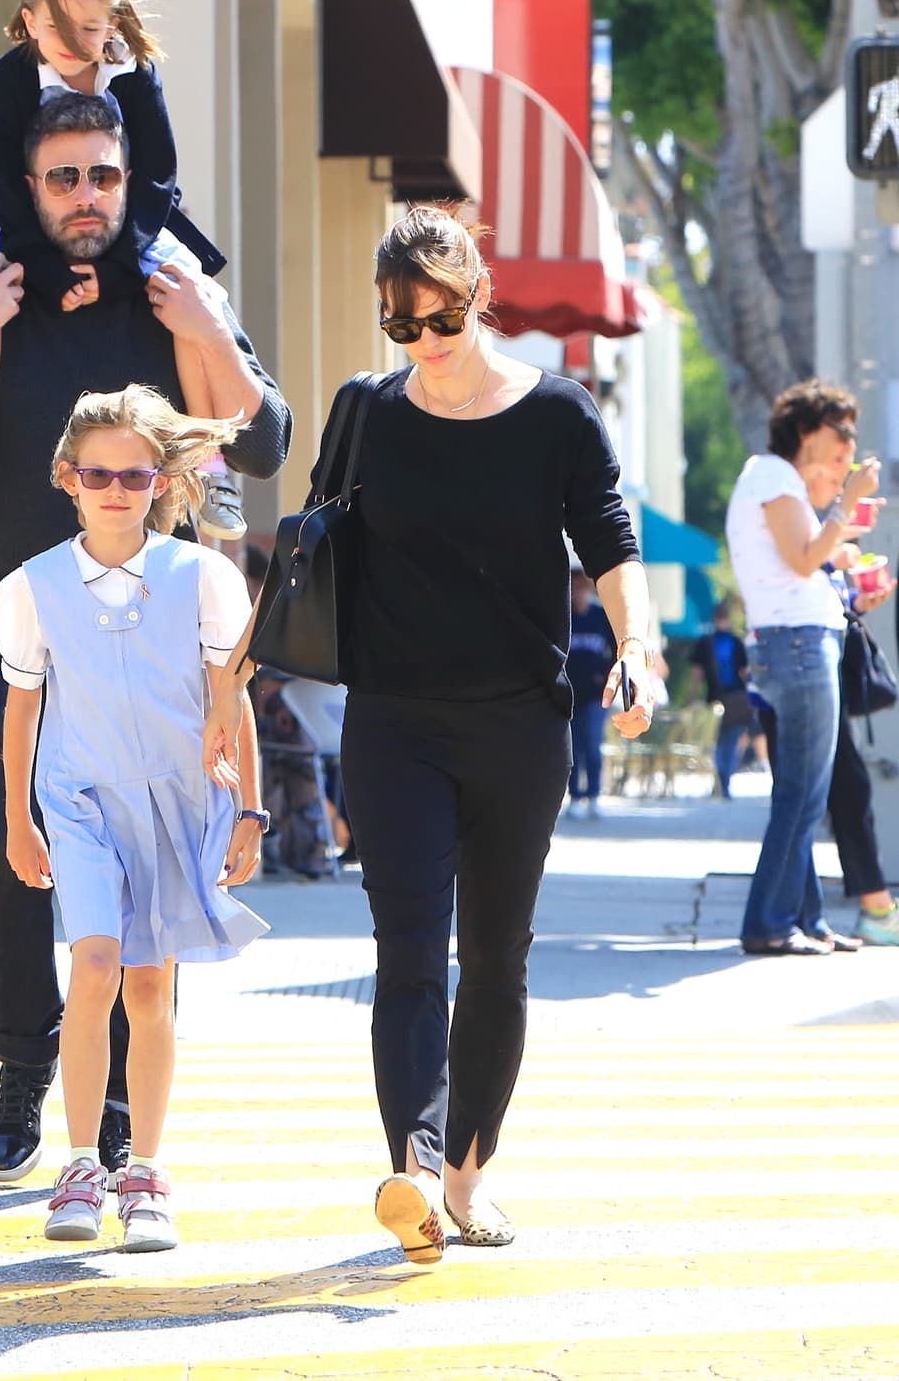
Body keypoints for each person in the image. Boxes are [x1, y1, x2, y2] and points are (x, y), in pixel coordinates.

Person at [203, 203, 653, 1265]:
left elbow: (609, 540)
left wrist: (636, 646)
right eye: (400, 325)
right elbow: (307, 550)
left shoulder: (557, 414)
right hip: (394, 722)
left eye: (441, 319)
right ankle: (409, 1167)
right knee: (407, 949)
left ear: (477, 297)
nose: (424, 342)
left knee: (494, 956)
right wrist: (232, 676)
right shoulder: (366, 410)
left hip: (518, 726)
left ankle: (464, 1179)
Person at [0, 89, 290, 1188]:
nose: (85, 195)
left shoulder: (169, 283)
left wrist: (205, 328)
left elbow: (264, 444)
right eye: (63, 177)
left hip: (155, 626)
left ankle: (111, 1108)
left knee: (146, 850)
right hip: (17, 615)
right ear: (30, 185)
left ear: (128, 179)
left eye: (103, 174)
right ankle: (26, 1060)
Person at [0, 385, 266, 1251]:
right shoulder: (31, 587)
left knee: (150, 986)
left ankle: (144, 1172)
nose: (116, 490)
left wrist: (249, 810)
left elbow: (232, 697)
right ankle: (80, 1167)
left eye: (135, 475)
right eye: (98, 474)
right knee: (96, 964)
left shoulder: (204, 577)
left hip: (180, 801)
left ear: (162, 482)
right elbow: (21, 712)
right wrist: (18, 819)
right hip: (79, 802)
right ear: (67, 478)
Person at [0, 0, 247, 543]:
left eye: (89, 29)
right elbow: (5, 188)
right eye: (57, 27)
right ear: (29, 20)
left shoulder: (135, 74)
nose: (72, 42)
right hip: (26, 227)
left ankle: (212, 467)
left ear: (112, 23)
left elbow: (156, 178)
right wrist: (42, 270)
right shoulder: (10, 79)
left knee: (188, 296)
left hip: (136, 227)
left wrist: (120, 270)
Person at [724, 379, 881, 956]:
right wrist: (846, 502)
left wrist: (842, 545)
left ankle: (804, 918)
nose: (849, 445)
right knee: (803, 797)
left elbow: (806, 560)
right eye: (842, 432)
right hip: (798, 646)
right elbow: (803, 558)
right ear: (807, 430)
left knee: (803, 792)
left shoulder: (773, 479)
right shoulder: (772, 475)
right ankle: (769, 923)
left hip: (793, 644)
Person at [755, 560, 899, 947]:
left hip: (802, 661)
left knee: (809, 800)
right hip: (798, 664)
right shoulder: (790, 523)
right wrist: (839, 541)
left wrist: (852, 601)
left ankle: (805, 917)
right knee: (815, 798)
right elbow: (795, 573)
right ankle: (867, 908)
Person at [564, 569, 616, 817]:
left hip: (596, 694)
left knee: (593, 745)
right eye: (572, 587)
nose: (577, 592)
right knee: (572, 748)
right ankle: (575, 796)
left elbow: (615, 650)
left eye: (581, 587)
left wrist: (605, 674)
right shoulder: (565, 618)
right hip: (569, 693)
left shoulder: (600, 617)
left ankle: (594, 794)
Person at [688, 601, 754, 798]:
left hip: (720, 699)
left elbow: (697, 674)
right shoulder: (732, 641)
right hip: (731, 698)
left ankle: (722, 781)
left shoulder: (709, 642)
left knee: (721, 741)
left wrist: (692, 697)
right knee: (728, 741)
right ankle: (723, 782)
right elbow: (745, 673)